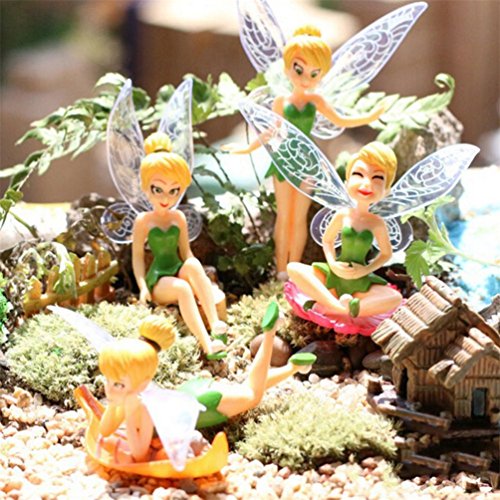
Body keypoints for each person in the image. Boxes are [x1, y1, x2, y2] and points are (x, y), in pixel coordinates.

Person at [223, 26, 384, 278]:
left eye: (314, 73)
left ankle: (293, 269)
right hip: (284, 159)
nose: (306, 78)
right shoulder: (281, 102)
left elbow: (341, 121)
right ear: (288, 68)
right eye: (299, 69)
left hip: (307, 162)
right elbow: (270, 131)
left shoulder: (316, 102)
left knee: (298, 219)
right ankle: (280, 270)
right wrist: (247, 148)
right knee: (283, 217)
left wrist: (369, 117)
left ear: (322, 74)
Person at [96, 304, 316, 462]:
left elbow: (139, 454)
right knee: (247, 388)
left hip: (206, 404)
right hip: (189, 393)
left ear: (142, 382)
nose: (109, 388)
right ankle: (293, 367)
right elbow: (104, 430)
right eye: (109, 380)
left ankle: (270, 332)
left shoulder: (142, 407)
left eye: (118, 384)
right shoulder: (133, 398)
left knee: (252, 395)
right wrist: (116, 404)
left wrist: (128, 413)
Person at [132, 131, 227, 359]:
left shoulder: (178, 218)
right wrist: (143, 287)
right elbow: (137, 257)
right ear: (146, 187)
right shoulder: (143, 221)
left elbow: (186, 253)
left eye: (174, 191)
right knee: (183, 289)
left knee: (193, 265)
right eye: (158, 189)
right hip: (159, 280)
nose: (166, 198)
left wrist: (197, 274)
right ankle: (207, 344)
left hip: (177, 268)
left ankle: (216, 325)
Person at [287, 142, 403, 318]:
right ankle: (336, 306)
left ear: (386, 190)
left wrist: (364, 270)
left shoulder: (377, 223)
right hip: (335, 274)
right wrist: (333, 264)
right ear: (347, 182)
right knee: (294, 268)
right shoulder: (343, 215)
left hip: (359, 280)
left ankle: (343, 307)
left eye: (378, 178)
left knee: (395, 298)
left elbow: (386, 254)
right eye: (358, 174)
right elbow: (327, 240)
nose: (367, 184)